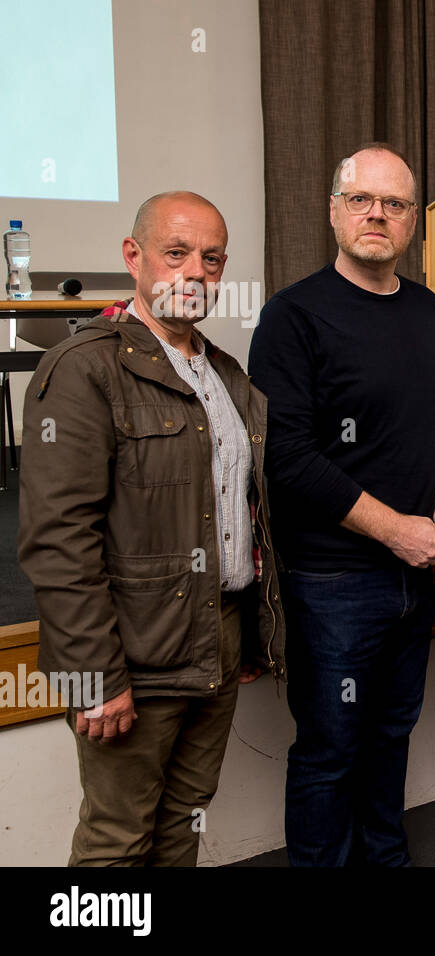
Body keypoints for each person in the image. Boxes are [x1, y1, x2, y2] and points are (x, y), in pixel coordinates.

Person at [17, 191, 282, 865]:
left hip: (216, 637)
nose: (195, 272)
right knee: (117, 839)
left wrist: (247, 631)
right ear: (134, 257)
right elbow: (58, 542)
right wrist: (93, 678)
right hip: (130, 648)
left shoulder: (225, 374)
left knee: (184, 822)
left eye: (212, 258)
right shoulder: (83, 370)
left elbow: (241, 516)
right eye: (177, 253)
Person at [248, 142, 435, 866]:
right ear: (334, 210)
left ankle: (385, 859)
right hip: (334, 581)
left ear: (413, 220)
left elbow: (428, 421)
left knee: (391, 736)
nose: (378, 214)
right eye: (362, 200)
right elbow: (287, 457)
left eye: (395, 203)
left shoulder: (423, 308)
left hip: (413, 574)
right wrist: (393, 529)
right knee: (331, 750)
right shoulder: (292, 316)